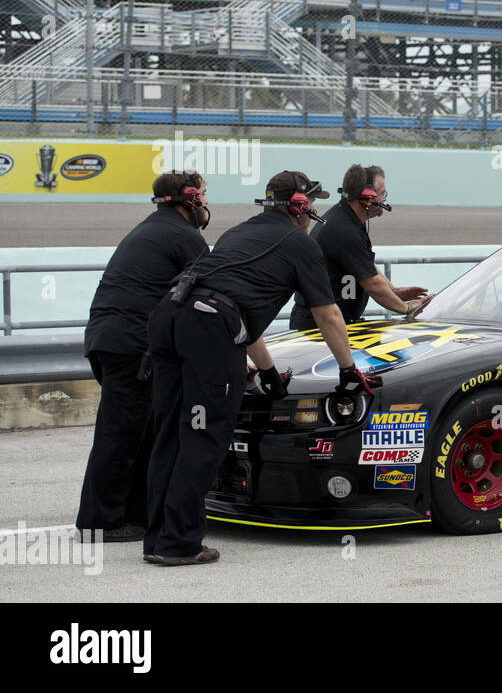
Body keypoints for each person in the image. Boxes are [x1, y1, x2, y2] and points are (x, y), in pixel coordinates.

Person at [143, 170, 381, 566]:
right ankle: (179, 544)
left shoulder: (240, 232)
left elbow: (240, 315)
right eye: (311, 201)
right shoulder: (299, 243)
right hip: (208, 326)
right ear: (298, 206)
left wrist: (268, 373)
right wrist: (348, 369)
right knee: (203, 438)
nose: (314, 209)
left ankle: (157, 540)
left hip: (170, 317)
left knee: (171, 434)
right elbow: (328, 314)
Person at [77, 171, 210, 542]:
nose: (205, 202)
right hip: (132, 346)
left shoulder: (150, 228)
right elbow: (211, 296)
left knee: (142, 432)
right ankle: (98, 523)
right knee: (120, 435)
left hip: (108, 339)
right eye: (202, 194)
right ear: (191, 199)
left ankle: (132, 515)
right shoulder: (186, 237)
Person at [287, 164, 427, 330]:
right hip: (318, 326)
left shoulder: (346, 220)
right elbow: (372, 284)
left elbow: (367, 265)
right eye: (382, 194)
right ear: (367, 198)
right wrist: (407, 308)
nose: (384, 199)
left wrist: (394, 292)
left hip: (329, 322)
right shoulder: (344, 230)